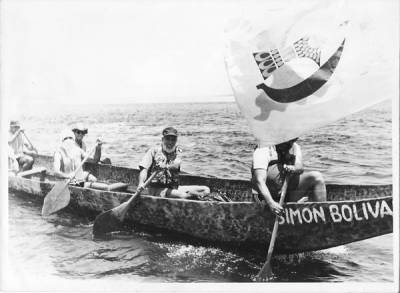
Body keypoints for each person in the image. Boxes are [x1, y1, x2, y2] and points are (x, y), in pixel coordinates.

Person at [251, 137, 326, 216]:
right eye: (288, 141)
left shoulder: (295, 147)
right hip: (265, 197)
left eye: (293, 140)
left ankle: (323, 216)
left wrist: (294, 168)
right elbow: (259, 180)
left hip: (287, 191)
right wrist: (271, 203)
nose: (290, 144)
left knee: (317, 177)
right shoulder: (263, 149)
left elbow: (299, 167)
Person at [138, 127, 210, 199]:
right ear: (163, 139)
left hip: (173, 188)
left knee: (206, 189)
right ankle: (194, 196)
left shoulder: (178, 153)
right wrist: (141, 183)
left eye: (173, 140)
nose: (170, 142)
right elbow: (144, 169)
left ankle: (195, 195)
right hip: (155, 189)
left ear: (176, 141)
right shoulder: (154, 151)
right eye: (168, 139)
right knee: (183, 195)